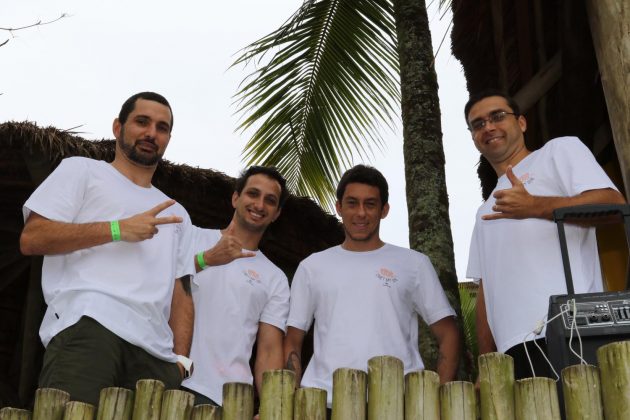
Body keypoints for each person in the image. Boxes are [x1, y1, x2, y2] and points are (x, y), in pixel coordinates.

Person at [20, 92, 196, 405]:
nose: (151, 133)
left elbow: (181, 289)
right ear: (118, 127)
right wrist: (117, 229)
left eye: (162, 127)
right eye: (142, 122)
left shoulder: (177, 213)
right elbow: (33, 237)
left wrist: (181, 360)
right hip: (90, 327)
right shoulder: (81, 171)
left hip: (156, 355)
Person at [464, 89, 626, 379]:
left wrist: (536, 206)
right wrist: (485, 364)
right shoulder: (484, 210)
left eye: (497, 116)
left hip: (570, 327)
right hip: (511, 350)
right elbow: (486, 291)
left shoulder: (558, 151)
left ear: (522, 123)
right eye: (477, 124)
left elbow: (613, 205)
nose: (488, 127)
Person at [284, 165, 460, 408]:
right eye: (352, 203)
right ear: (339, 207)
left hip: (398, 402)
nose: (361, 213)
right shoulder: (312, 267)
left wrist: (434, 401)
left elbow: (448, 334)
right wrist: (288, 399)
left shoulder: (414, 264)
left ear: (384, 210)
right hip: (324, 403)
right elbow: (293, 339)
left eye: (370, 204)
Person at [181, 166, 290, 407]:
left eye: (270, 200)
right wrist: (205, 258)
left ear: (276, 213)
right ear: (235, 197)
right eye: (253, 194)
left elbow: (270, 350)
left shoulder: (276, 278)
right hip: (172, 382)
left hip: (230, 399)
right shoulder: (192, 238)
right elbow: (157, 284)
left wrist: (272, 408)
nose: (260, 205)